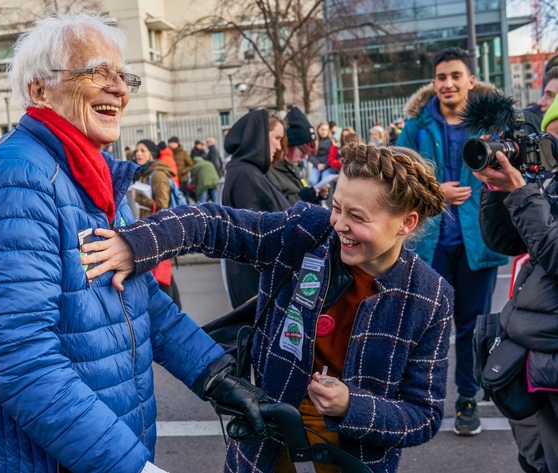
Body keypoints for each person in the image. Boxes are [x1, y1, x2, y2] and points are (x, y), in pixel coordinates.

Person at [0, 12, 267, 473]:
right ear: (40, 90)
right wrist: (128, 465)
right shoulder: (16, 179)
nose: (119, 89)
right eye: (98, 71)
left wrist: (217, 376)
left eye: (123, 76)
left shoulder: (92, 176)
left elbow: (141, 301)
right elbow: (20, 359)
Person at [82, 142, 453, 473]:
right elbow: (212, 223)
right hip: (264, 449)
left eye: (358, 217)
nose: (339, 224)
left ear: (406, 223)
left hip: (351, 459)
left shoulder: (431, 297)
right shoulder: (307, 232)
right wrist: (137, 243)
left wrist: (350, 405)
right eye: (337, 207)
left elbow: (424, 416)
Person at [396, 47, 506, 436]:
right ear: (433, 83)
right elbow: (396, 176)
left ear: (471, 81)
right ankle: (423, 400)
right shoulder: (417, 127)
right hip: (429, 244)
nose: (448, 83)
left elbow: (514, 175)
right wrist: (433, 190)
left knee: (472, 327)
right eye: (441, 77)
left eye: (456, 76)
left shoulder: (493, 125)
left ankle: (466, 401)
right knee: (427, 326)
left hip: (478, 243)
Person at [473, 97, 558, 473]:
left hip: (550, 354)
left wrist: (522, 192)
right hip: (532, 354)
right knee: (535, 461)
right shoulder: (549, 183)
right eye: (549, 137)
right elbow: (505, 242)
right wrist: (497, 189)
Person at [221, 109, 289, 308]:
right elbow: (258, 235)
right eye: (276, 138)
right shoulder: (246, 175)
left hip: (257, 283)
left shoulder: (247, 171)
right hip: (256, 286)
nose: (278, 146)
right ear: (258, 136)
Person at [132, 139, 182, 307]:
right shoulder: (145, 173)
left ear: (152, 154)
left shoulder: (157, 174)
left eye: (143, 150)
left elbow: (163, 204)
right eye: (137, 150)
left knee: (162, 275)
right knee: (161, 275)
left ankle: (172, 311)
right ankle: (174, 309)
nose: (138, 153)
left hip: (158, 231)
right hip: (150, 230)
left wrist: (138, 198)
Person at [267, 107, 325, 205]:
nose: (305, 157)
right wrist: (303, 197)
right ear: (289, 146)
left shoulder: (290, 167)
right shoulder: (270, 170)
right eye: (303, 152)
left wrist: (315, 196)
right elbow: (277, 208)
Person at [308, 122, 333, 187]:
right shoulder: (314, 142)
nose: (324, 132)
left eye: (326, 130)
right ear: (318, 130)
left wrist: (325, 165)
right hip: (317, 166)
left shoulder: (332, 141)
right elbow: (309, 155)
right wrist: (317, 164)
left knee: (324, 182)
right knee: (312, 181)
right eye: (322, 129)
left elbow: (333, 156)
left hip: (327, 166)